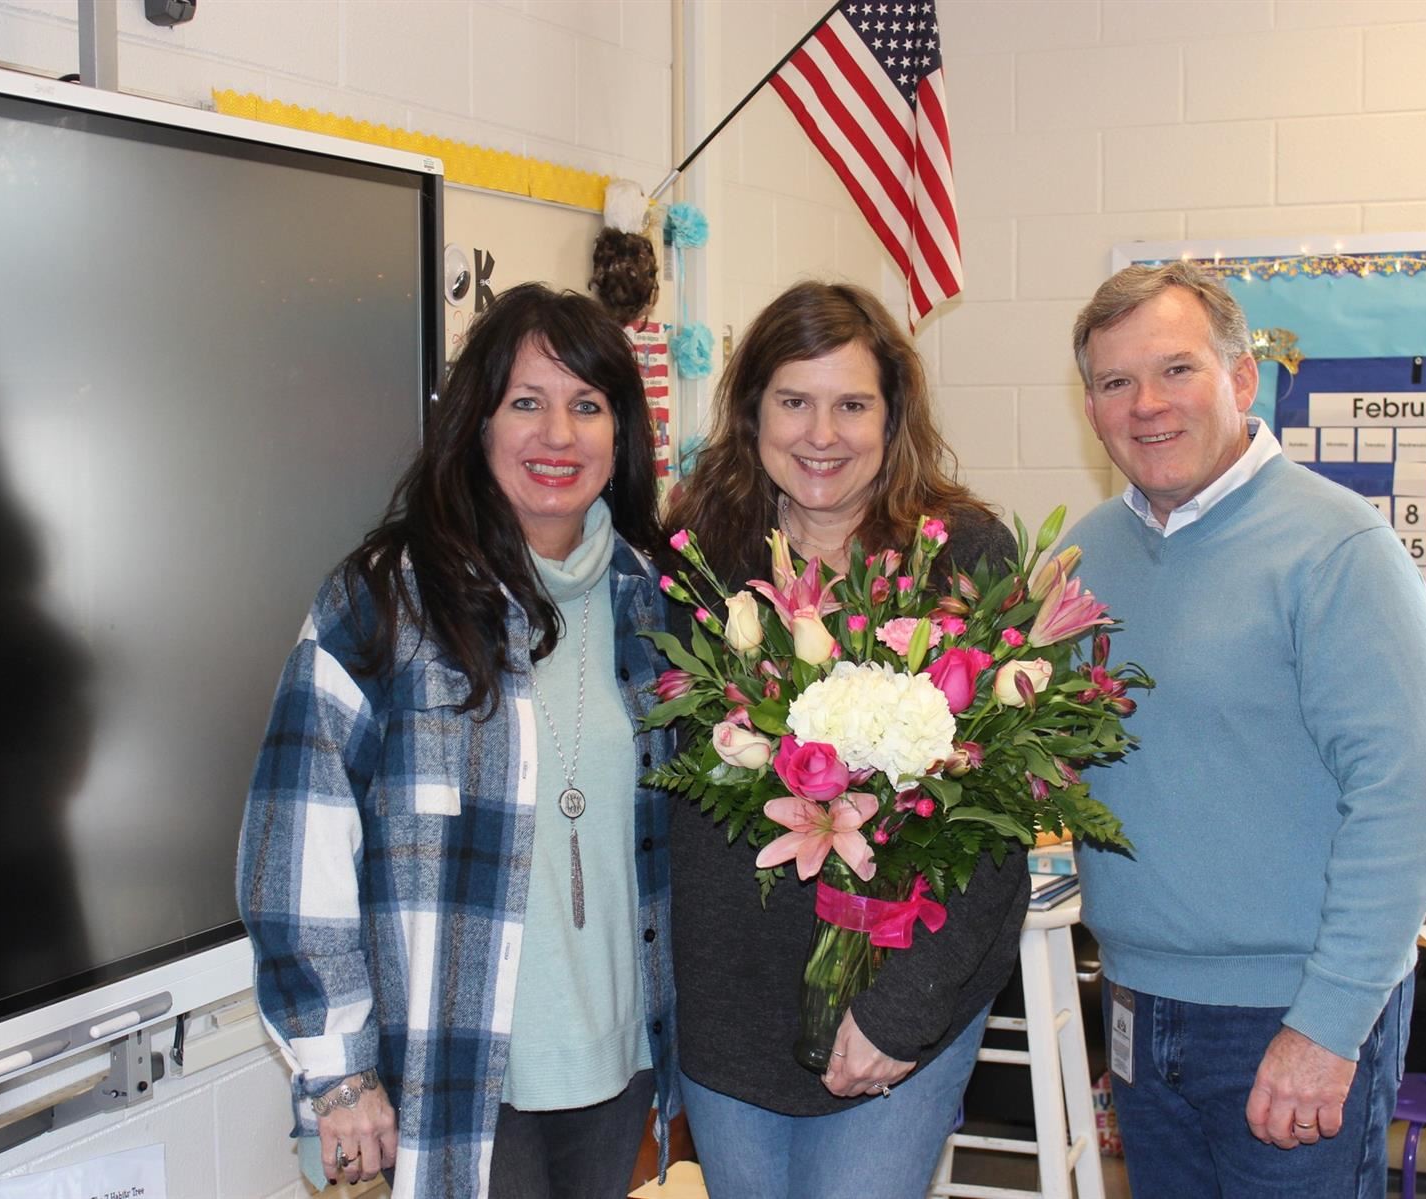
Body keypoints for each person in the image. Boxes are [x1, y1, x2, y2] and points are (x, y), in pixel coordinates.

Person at [236, 284, 678, 1198]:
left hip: (616, 1059)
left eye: (586, 405)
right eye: (526, 402)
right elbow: (296, 842)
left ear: (622, 433)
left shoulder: (656, 602)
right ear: (477, 424)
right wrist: (341, 1068)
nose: (558, 435)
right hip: (457, 1067)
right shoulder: (383, 601)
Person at [1067, 261, 1426, 1196]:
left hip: (1288, 1010)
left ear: (1243, 380)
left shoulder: (1340, 549)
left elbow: (1402, 809)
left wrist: (1326, 1024)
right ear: (1090, 406)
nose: (1147, 405)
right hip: (1135, 1003)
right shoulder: (1086, 558)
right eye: (1116, 382)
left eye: (1177, 370)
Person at [663, 281, 1030, 1198]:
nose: (820, 433)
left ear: (892, 415)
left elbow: (997, 817)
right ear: (751, 413)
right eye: (794, 400)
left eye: (851, 403)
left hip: (903, 986)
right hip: (729, 995)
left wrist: (902, 1007)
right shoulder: (696, 552)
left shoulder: (962, 554)